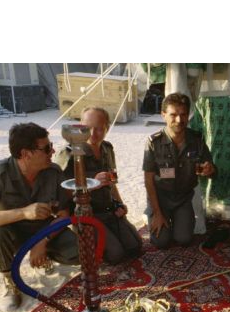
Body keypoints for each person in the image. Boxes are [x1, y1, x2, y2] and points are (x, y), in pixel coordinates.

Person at [0, 123, 79, 311]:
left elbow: (64, 214)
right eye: (46, 148)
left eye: (51, 146)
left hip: (43, 231)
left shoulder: (53, 172)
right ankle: (9, 281)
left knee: (80, 251)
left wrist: (42, 242)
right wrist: (23, 212)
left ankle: (45, 258)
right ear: (26, 154)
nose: (52, 152)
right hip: (11, 233)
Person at [57, 107, 142, 264]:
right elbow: (60, 193)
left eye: (99, 129)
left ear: (107, 128)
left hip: (109, 210)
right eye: (88, 128)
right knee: (115, 255)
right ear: (80, 126)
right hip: (87, 215)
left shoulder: (107, 149)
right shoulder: (69, 153)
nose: (93, 133)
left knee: (135, 247)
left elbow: (112, 183)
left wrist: (120, 203)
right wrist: (90, 184)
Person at [143, 93, 216, 249]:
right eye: (173, 115)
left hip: (182, 199)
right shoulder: (153, 142)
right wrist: (157, 213)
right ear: (163, 115)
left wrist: (210, 170)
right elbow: (148, 180)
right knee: (160, 242)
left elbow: (213, 170)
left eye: (183, 115)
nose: (179, 120)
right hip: (160, 199)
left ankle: (178, 221)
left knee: (183, 239)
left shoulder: (197, 140)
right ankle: (153, 215)